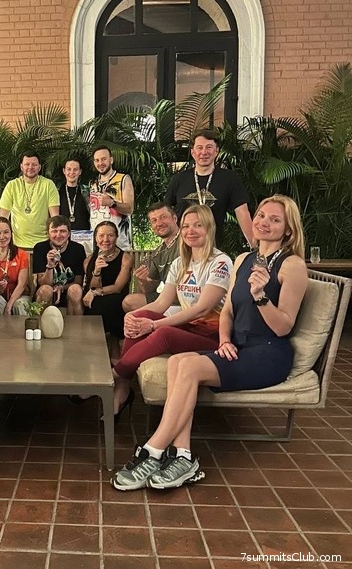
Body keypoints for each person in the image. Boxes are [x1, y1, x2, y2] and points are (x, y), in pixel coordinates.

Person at [111, 195, 308, 491]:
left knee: (189, 367)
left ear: (288, 229)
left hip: (267, 354)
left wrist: (260, 297)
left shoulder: (292, 265)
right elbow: (227, 311)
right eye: (261, 215)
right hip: (236, 346)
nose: (264, 222)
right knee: (178, 362)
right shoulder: (243, 260)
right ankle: (183, 456)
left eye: (275, 219)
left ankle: (153, 450)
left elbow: (283, 326)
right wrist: (225, 340)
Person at [113, 204, 233, 419]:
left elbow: (202, 309)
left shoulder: (221, 262)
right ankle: (122, 385)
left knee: (164, 333)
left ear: (209, 228)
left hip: (212, 336)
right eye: (186, 226)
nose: (190, 231)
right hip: (189, 328)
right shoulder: (180, 263)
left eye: (198, 225)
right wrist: (132, 316)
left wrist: (154, 325)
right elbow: (161, 303)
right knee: (140, 315)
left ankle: (115, 375)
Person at [165, 128, 254, 247]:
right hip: (182, 247)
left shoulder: (229, 179)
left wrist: (255, 246)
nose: (204, 152)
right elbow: (166, 214)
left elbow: (242, 212)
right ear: (193, 152)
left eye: (209, 147)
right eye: (199, 148)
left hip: (214, 245)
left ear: (216, 151)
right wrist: (168, 246)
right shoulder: (179, 179)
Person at [82, 221, 133, 364]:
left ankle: (114, 344)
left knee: (111, 303)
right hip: (97, 299)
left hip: (116, 297)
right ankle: (99, 347)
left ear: (116, 237)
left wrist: (95, 292)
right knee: (95, 305)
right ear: (95, 238)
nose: (106, 240)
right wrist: (97, 271)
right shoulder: (88, 260)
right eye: (101, 236)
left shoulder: (125, 258)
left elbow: (118, 287)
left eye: (110, 235)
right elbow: (92, 286)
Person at [122, 202, 180, 313]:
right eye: (154, 220)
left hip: (186, 296)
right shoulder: (158, 252)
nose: (159, 223)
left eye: (163, 217)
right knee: (129, 302)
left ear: (175, 218)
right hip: (166, 297)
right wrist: (142, 280)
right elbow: (149, 290)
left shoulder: (187, 240)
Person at [0, 150, 60, 249]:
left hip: (43, 243)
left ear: (39, 167)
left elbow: (55, 217)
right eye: (27, 164)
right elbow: (3, 218)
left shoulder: (48, 185)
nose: (30, 167)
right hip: (16, 244)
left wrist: (54, 242)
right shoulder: (12, 185)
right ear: (21, 167)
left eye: (34, 164)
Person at [32, 215, 86, 313]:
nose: (58, 235)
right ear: (48, 233)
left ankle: (76, 323)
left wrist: (62, 288)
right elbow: (42, 283)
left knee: (76, 290)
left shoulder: (78, 249)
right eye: (54, 231)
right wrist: (50, 266)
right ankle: (40, 322)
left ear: (69, 233)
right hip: (48, 291)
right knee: (45, 290)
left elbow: (78, 281)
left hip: (68, 290)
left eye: (62, 231)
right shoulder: (40, 248)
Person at [89, 146, 134, 251]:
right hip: (97, 245)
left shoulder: (124, 179)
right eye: (97, 160)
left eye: (104, 159)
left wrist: (112, 203)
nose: (100, 163)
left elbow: (129, 209)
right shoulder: (92, 183)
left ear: (111, 160)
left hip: (120, 244)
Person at [58, 158, 90, 231]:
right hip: (62, 234)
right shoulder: (57, 191)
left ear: (80, 172)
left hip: (84, 235)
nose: (72, 172)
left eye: (75, 169)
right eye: (69, 169)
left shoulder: (87, 191)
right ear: (64, 171)